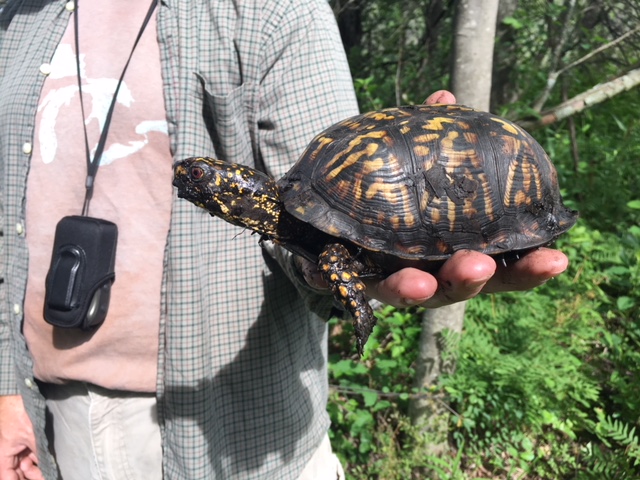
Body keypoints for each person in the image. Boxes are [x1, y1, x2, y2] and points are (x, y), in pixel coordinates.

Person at [0, 1, 570, 479]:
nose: (190, 181)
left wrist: (349, 289)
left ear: (240, 196)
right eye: (198, 181)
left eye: (203, 180)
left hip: (239, 437)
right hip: (44, 408)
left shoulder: (272, 10)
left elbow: (317, 260)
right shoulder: (19, 16)